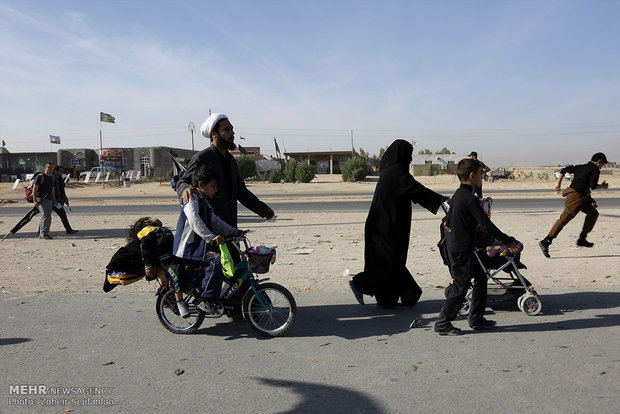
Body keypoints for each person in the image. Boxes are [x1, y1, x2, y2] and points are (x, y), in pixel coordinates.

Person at [349, 139, 448, 308]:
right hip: (384, 230)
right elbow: (416, 190)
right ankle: (359, 283)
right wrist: (442, 201)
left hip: (387, 227)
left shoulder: (392, 171)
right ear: (400, 155)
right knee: (388, 265)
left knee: (388, 271)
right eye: (408, 154)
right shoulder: (396, 172)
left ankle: (390, 296)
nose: (409, 158)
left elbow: (413, 192)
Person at [434, 158, 522, 336]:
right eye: (481, 173)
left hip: (465, 248)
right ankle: (443, 323)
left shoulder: (459, 195)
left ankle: (476, 318)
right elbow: (487, 225)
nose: (483, 177)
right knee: (461, 286)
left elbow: (450, 221)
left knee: (481, 278)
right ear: (472, 175)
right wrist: (508, 241)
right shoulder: (468, 199)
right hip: (462, 250)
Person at [176, 112, 274, 227]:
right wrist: (186, 189)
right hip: (211, 230)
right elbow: (182, 182)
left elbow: (241, 191)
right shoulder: (202, 158)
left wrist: (262, 209)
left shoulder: (230, 160)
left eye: (232, 129)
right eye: (227, 129)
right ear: (214, 134)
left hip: (230, 225)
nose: (232, 133)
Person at [173, 165, 241, 314]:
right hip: (188, 247)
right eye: (213, 186)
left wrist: (234, 232)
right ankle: (206, 298)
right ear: (201, 185)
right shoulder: (191, 198)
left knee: (226, 260)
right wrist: (211, 237)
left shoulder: (203, 200)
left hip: (199, 245)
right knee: (216, 261)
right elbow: (194, 220)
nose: (215, 190)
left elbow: (215, 221)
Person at [538, 153, 609, 258]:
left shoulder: (580, 167)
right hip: (575, 199)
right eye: (602, 165)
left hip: (583, 197)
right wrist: (603, 186)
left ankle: (582, 239)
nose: (601, 167)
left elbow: (563, 170)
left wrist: (558, 184)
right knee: (563, 220)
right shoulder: (595, 170)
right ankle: (546, 241)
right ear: (599, 162)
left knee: (593, 213)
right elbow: (593, 186)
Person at [33, 162, 57, 239]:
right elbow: (34, 189)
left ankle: (42, 233)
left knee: (46, 216)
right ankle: (44, 233)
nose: (50, 169)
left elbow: (52, 189)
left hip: (49, 199)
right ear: (45, 167)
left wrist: (54, 200)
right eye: (49, 167)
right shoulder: (40, 176)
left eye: (52, 168)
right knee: (46, 216)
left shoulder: (52, 177)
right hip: (41, 199)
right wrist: (35, 201)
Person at [52, 165, 78, 235]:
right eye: (60, 171)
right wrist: (54, 200)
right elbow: (52, 190)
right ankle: (41, 231)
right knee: (46, 217)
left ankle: (69, 230)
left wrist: (63, 200)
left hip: (58, 201)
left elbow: (61, 191)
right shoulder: (52, 178)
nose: (62, 173)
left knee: (63, 215)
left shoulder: (60, 179)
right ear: (56, 171)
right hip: (50, 201)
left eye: (62, 171)